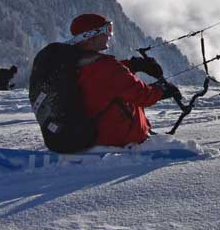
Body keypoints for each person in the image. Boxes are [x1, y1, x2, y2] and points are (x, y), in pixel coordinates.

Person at [68, 13, 181, 147]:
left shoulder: (73, 62)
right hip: (116, 138)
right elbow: (143, 96)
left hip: (90, 132)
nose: (109, 35)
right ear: (90, 37)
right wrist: (161, 89)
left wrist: (133, 65)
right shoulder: (107, 68)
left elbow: (103, 76)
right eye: (106, 30)